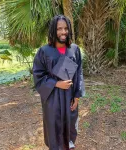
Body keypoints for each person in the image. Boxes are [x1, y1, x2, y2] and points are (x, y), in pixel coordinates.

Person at [33, 15, 85, 150]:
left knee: (70, 127)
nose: (63, 32)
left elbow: (79, 73)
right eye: (59, 29)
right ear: (53, 31)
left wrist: (77, 96)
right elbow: (38, 75)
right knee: (54, 128)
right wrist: (56, 84)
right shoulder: (44, 51)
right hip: (52, 98)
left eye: (66, 28)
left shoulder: (74, 49)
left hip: (70, 97)